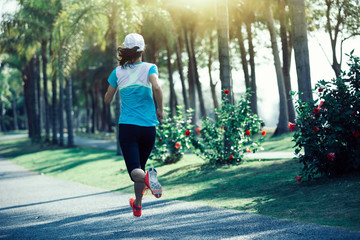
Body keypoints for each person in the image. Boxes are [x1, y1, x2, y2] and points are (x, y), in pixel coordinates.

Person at [104, 33, 164, 217]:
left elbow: (107, 99)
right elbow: (157, 87)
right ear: (143, 49)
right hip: (148, 128)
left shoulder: (117, 72)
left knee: (135, 172)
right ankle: (137, 204)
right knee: (139, 167)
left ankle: (147, 179)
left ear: (125, 50)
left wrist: (111, 95)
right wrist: (160, 110)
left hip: (128, 127)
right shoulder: (149, 68)